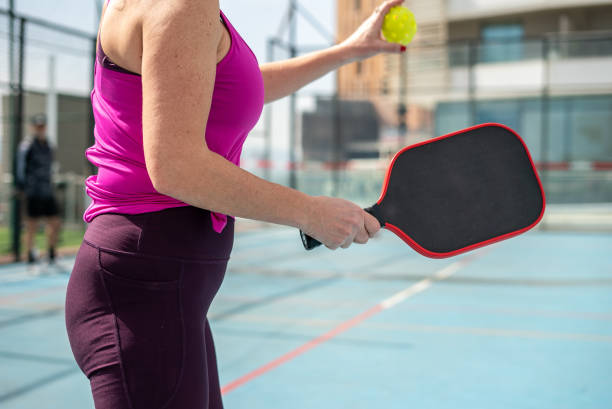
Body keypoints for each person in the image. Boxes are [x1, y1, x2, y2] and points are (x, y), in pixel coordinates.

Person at [65, 1, 406, 408]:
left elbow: (226, 84)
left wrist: (348, 50)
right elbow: (176, 167)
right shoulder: (183, 5)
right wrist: (311, 212)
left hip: (161, 293)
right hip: (144, 292)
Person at [15, 113, 62, 267]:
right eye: (37, 125)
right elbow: (21, 168)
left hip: (47, 191)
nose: (40, 128)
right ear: (33, 127)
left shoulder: (48, 145)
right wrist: (22, 187)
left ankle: (51, 253)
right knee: (31, 224)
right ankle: (29, 254)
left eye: (42, 125)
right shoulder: (27, 146)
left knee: (54, 222)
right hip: (33, 192)